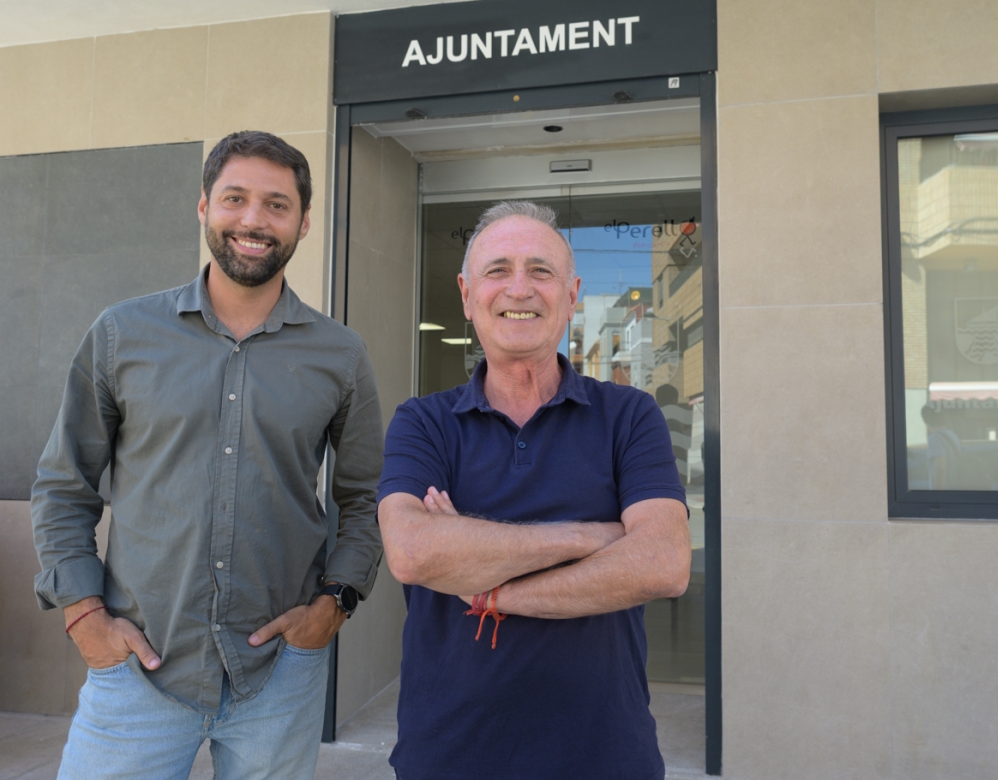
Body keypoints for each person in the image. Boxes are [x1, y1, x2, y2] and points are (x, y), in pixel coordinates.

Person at [31, 131, 385, 780]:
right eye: (235, 198)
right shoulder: (121, 333)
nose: (253, 220)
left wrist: (335, 601)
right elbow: (64, 485)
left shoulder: (340, 354)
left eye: (276, 204)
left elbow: (365, 496)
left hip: (278, 673)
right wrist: (84, 613)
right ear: (203, 208)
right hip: (137, 667)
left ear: (304, 222)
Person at [377, 201, 693, 780]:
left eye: (540, 271)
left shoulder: (629, 415)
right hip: (448, 756)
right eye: (497, 270)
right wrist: (593, 536)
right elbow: (413, 551)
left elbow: (664, 563)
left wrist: (491, 593)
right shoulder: (422, 423)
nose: (518, 288)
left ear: (572, 295)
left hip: (605, 756)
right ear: (467, 294)